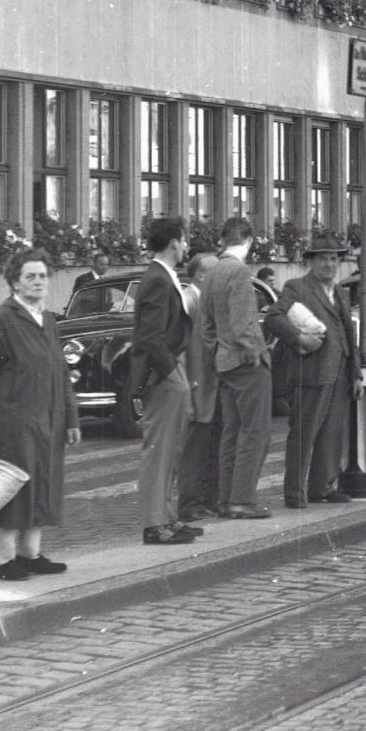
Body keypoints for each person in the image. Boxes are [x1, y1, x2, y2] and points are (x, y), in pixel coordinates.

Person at [0, 248, 81, 580]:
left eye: (42, 275)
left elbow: (61, 372)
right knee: (13, 487)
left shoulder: (48, 320)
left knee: (42, 483)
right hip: (13, 421)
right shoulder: (1, 320)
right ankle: (3, 560)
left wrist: (72, 417)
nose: (38, 281)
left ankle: (30, 553)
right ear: (14, 282)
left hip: (49, 419)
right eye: (30, 276)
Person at [263, 234, 359, 508]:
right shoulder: (298, 287)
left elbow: (348, 334)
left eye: (334, 259)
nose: (330, 264)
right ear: (311, 262)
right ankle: (294, 492)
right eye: (323, 259)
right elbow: (273, 317)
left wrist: (356, 373)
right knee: (304, 434)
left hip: (339, 372)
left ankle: (323, 488)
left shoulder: (340, 291)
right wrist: (298, 338)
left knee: (331, 433)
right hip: (311, 372)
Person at [130, 217, 200, 545]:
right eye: (184, 241)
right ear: (174, 242)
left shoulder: (164, 277)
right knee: (159, 449)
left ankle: (167, 517)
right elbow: (150, 336)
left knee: (171, 447)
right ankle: (155, 523)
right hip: (163, 374)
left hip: (170, 369)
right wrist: (172, 372)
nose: (186, 246)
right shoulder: (158, 279)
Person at [201, 216, 273, 519]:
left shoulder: (213, 271)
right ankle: (242, 499)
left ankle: (225, 498)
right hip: (245, 363)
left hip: (224, 362)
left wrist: (219, 351)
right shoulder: (240, 272)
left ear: (223, 240)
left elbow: (206, 326)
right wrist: (255, 352)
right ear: (249, 241)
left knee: (231, 432)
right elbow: (243, 322)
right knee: (254, 432)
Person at [178, 252, 223, 522]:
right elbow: (183, 349)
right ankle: (189, 503)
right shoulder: (189, 299)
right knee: (194, 449)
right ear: (201, 275)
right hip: (197, 384)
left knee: (211, 445)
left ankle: (208, 499)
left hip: (213, 384)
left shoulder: (207, 300)